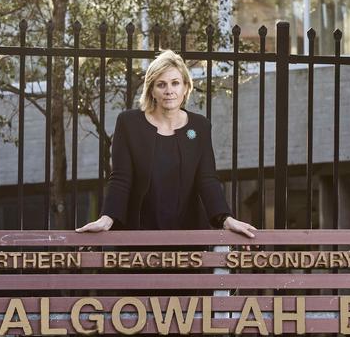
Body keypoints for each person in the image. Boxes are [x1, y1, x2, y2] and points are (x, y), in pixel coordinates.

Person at [76, 50, 255, 237]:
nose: (169, 90)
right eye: (161, 84)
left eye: (175, 83)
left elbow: (207, 179)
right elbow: (121, 178)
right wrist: (107, 218)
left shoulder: (200, 126)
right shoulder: (129, 124)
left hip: (188, 236)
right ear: (151, 90)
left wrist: (225, 218)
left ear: (186, 87)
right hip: (138, 235)